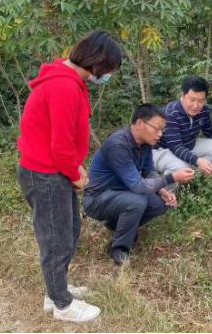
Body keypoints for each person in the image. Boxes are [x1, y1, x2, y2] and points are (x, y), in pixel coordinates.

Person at [17, 30, 122, 323]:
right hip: (46, 174)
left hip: (55, 170)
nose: (108, 76)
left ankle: (57, 289)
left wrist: (75, 167)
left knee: (69, 231)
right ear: (99, 63)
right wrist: (75, 173)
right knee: (56, 241)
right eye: (110, 69)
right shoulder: (63, 86)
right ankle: (62, 305)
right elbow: (60, 144)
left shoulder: (70, 79)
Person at [83, 104, 195, 266]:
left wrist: (163, 191)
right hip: (97, 199)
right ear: (140, 123)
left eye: (162, 130)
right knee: (137, 201)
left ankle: (116, 225)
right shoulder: (118, 145)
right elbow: (137, 186)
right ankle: (119, 249)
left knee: (160, 203)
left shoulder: (145, 144)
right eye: (156, 128)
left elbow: (148, 171)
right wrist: (172, 177)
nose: (160, 134)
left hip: (123, 193)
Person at [153, 77, 212, 179]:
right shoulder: (171, 113)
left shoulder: (204, 111)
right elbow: (175, 147)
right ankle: (163, 188)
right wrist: (197, 160)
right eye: (192, 100)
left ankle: (194, 175)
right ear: (183, 96)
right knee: (181, 167)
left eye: (200, 101)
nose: (195, 106)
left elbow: (211, 132)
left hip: (188, 145)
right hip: (163, 150)